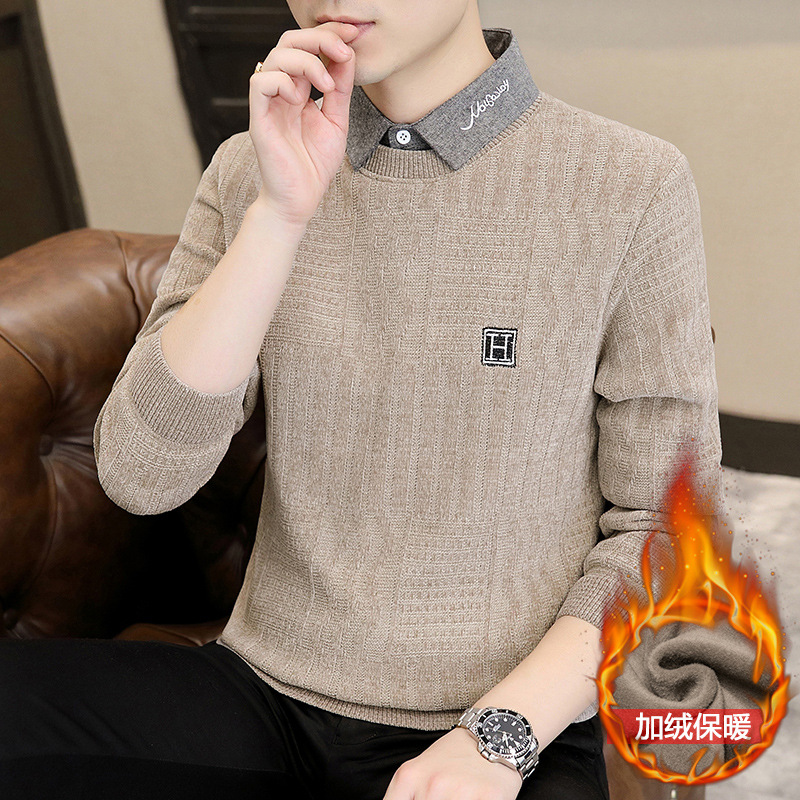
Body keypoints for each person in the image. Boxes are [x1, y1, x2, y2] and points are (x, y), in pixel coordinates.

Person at [0, 1, 722, 798]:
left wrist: (497, 739)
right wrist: (278, 216)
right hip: (261, 692)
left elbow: (665, 527)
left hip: (497, 720)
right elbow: (142, 476)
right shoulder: (248, 169)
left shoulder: (630, 182)